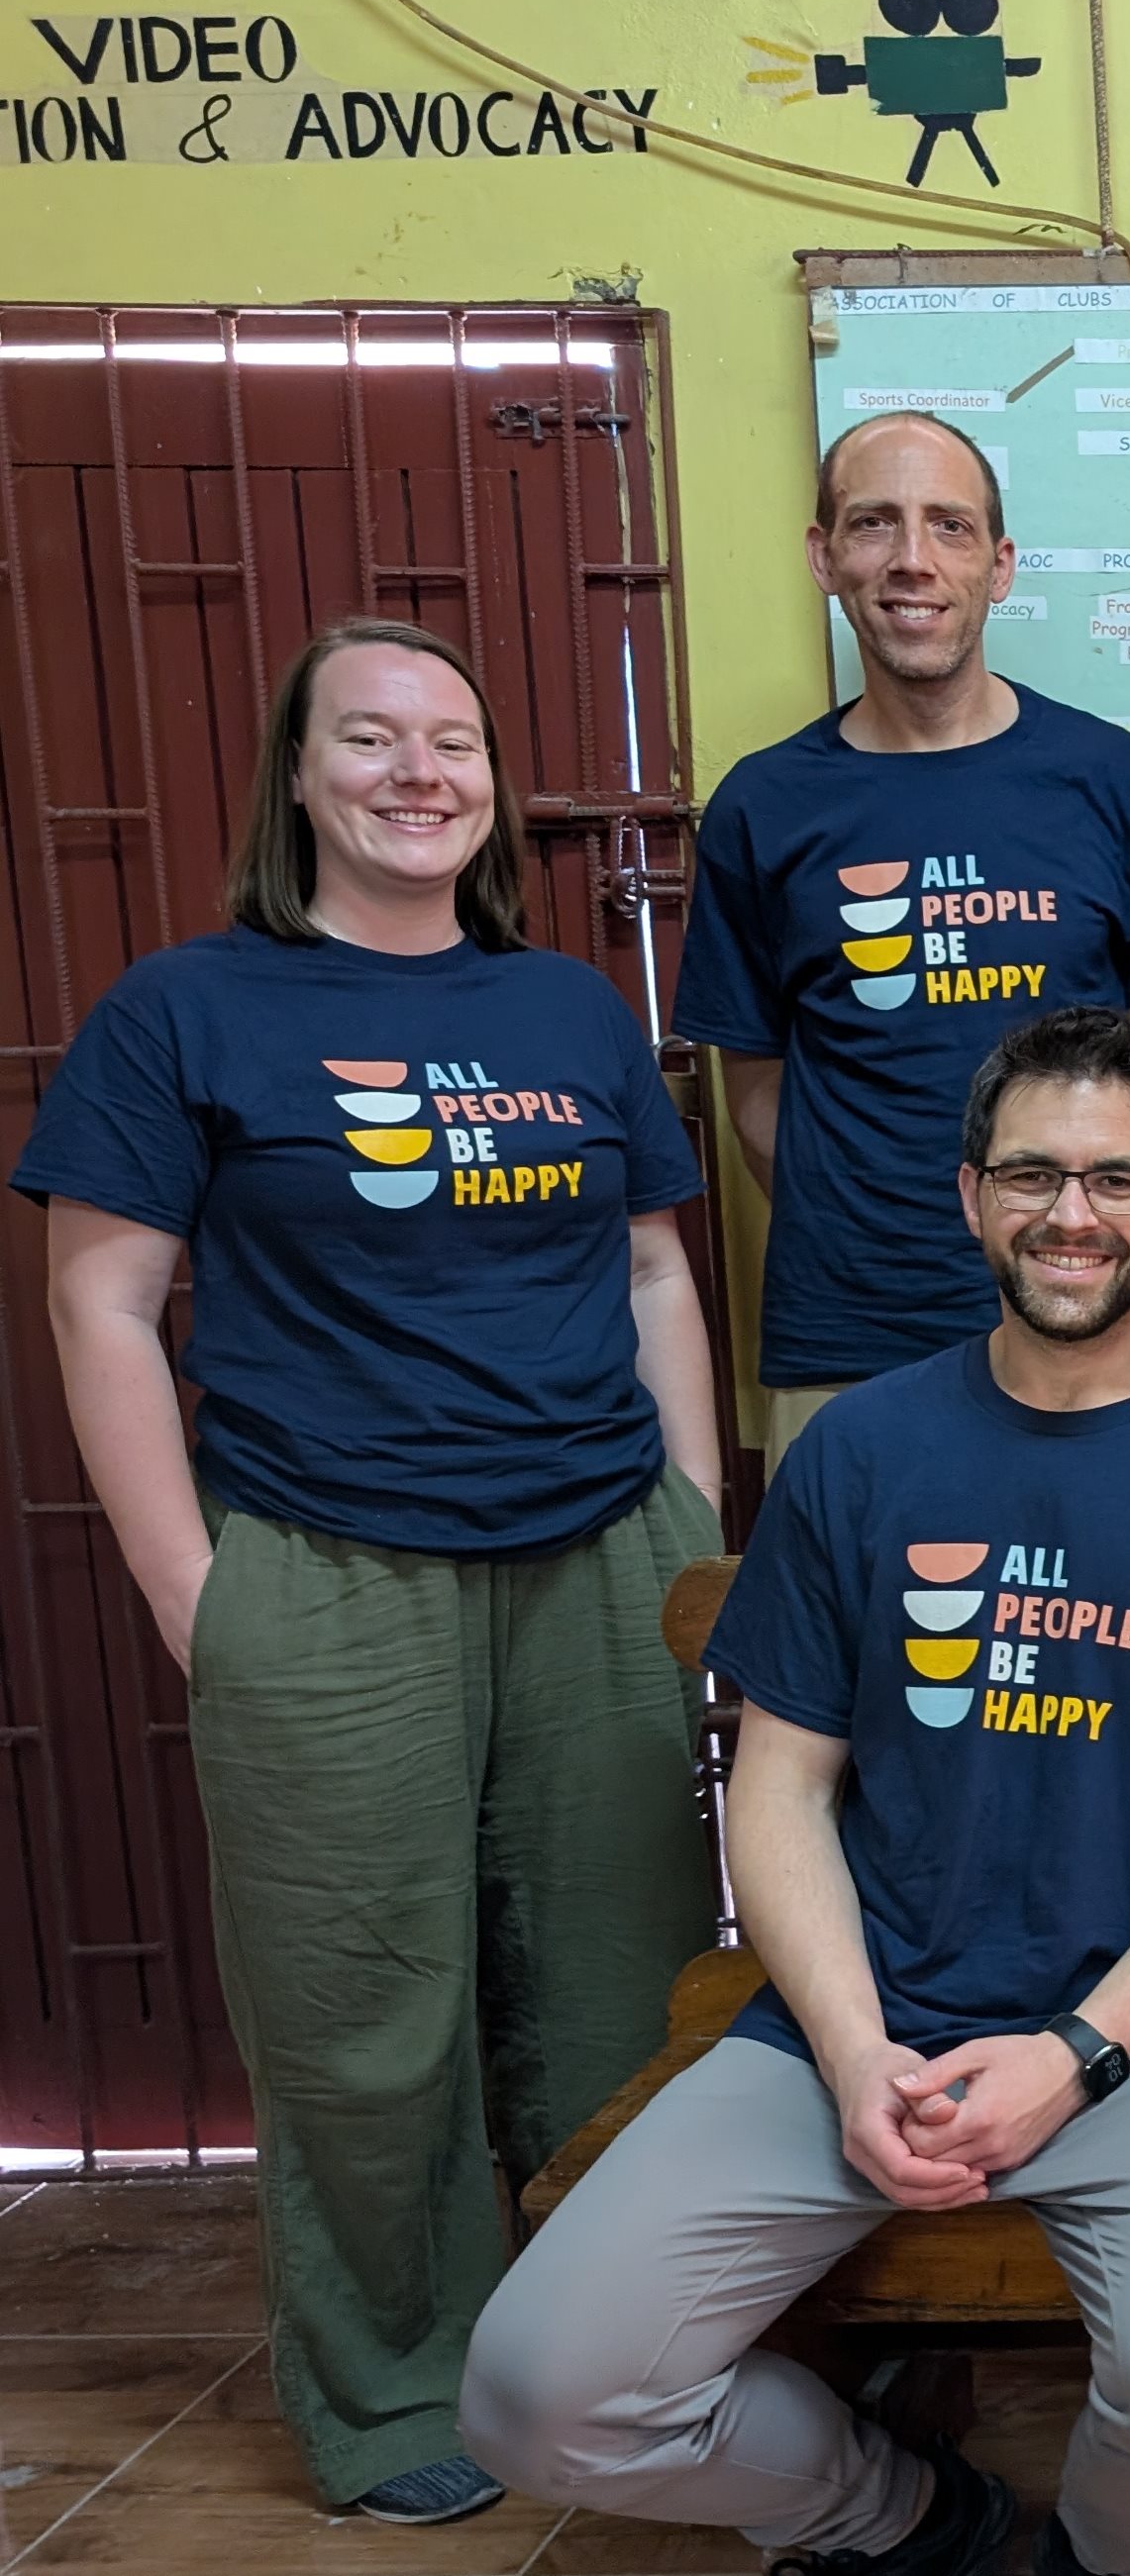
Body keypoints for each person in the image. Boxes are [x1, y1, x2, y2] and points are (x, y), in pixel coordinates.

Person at [460, 1007, 1130, 2576]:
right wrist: (859, 2052)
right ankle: (903, 2511)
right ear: (967, 1198)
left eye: (1115, 1182)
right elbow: (782, 1789)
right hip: (859, 2022)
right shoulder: (864, 1448)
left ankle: (1100, 2550)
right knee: (537, 2398)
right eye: (1031, 1175)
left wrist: (1076, 2053)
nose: (1072, 1215)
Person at [16, 618, 723, 2526]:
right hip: (327, 1571)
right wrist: (193, 1588)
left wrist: (692, 1535)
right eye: (373, 737)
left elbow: (656, 1270)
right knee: (363, 2015)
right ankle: (401, 2385)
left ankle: (622, 2356)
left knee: (621, 1991)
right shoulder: (187, 1007)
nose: (420, 771)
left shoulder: (570, 1008)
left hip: (594, 1556)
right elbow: (101, 1301)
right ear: (301, 775)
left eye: (456, 740)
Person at [677, 411, 1130, 1462]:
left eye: (949, 527)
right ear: (823, 556)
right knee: (860, 1623)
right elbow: (753, 1088)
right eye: (874, 524)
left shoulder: (1118, 786)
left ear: (1000, 564)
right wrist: (868, 1227)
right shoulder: (765, 805)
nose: (911, 561)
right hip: (849, 1334)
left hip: (1087, 1316)